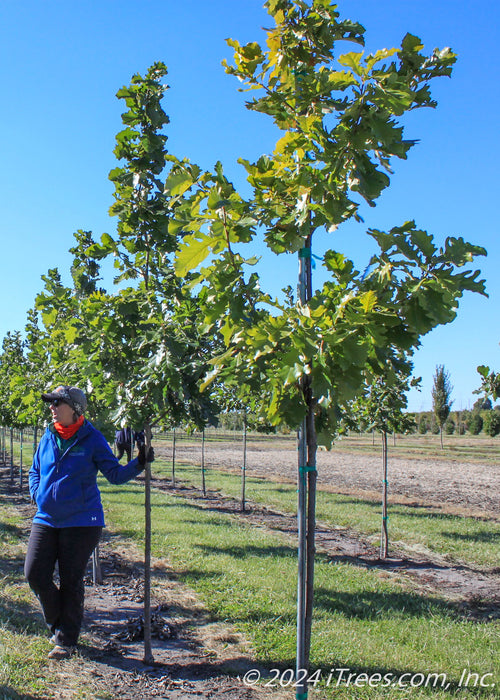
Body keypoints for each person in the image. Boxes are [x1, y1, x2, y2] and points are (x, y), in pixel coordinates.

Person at [25, 385, 154, 660]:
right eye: (51, 403)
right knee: (34, 574)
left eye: (57, 403)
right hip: (46, 518)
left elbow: (115, 475)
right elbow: (34, 470)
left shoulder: (92, 439)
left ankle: (65, 641)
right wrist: (38, 495)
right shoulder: (48, 436)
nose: (52, 407)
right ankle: (58, 623)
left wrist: (140, 462)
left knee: (71, 580)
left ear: (74, 408)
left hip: (82, 521)